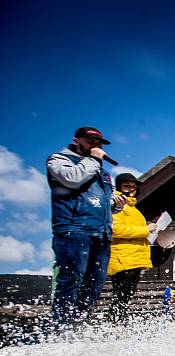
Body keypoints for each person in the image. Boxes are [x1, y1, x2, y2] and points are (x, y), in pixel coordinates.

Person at [47, 127, 126, 328]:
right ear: (77, 140)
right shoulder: (59, 159)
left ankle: (78, 326)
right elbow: (72, 179)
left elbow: (100, 203)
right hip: (74, 229)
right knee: (71, 280)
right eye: (90, 140)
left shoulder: (103, 172)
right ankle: (60, 328)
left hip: (101, 233)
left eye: (98, 142)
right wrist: (94, 160)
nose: (95, 145)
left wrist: (115, 206)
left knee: (94, 285)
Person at [107, 173, 157, 323]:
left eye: (134, 187)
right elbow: (115, 229)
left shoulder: (132, 208)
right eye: (127, 186)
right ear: (119, 187)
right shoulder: (117, 205)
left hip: (134, 257)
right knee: (121, 293)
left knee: (126, 293)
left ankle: (119, 321)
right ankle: (116, 322)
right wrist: (146, 230)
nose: (131, 190)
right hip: (123, 257)